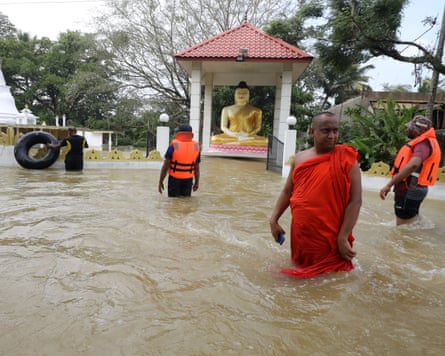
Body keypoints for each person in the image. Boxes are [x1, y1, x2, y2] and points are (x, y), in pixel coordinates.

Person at [269, 112, 362, 278]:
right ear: (312, 131)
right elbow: (287, 191)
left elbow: (355, 201)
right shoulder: (299, 158)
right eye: (326, 131)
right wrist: (274, 219)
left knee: (329, 277)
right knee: (300, 271)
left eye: (335, 131)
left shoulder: (347, 159)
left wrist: (342, 236)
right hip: (301, 230)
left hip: (330, 233)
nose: (332, 136)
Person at [379, 115, 441, 225]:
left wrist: (389, 184)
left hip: (409, 190)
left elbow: (413, 165)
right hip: (417, 189)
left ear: (418, 130)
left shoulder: (422, 145)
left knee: (402, 228)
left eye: (410, 128)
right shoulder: (428, 143)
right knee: (411, 223)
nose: (407, 129)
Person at [210, 81, 267, 146]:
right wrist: (232, 134)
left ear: (248, 95)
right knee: (214, 139)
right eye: (239, 93)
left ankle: (235, 143)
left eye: (244, 93)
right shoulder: (226, 109)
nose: (241, 95)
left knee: (265, 141)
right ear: (235, 94)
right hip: (231, 136)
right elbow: (223, 127)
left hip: (248, 136)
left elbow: (258, 128)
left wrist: (247, 134)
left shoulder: (256, 110)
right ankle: (240, 142)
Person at [158, 124, 201, 197]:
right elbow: (196, 168)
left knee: (173, 203)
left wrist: (161, 181)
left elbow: (165, 166)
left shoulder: (174, 145)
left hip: (174, 179)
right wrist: (197, 182)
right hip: (188, 180)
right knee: (186, 202)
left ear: (179, 133)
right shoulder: (196, 146)